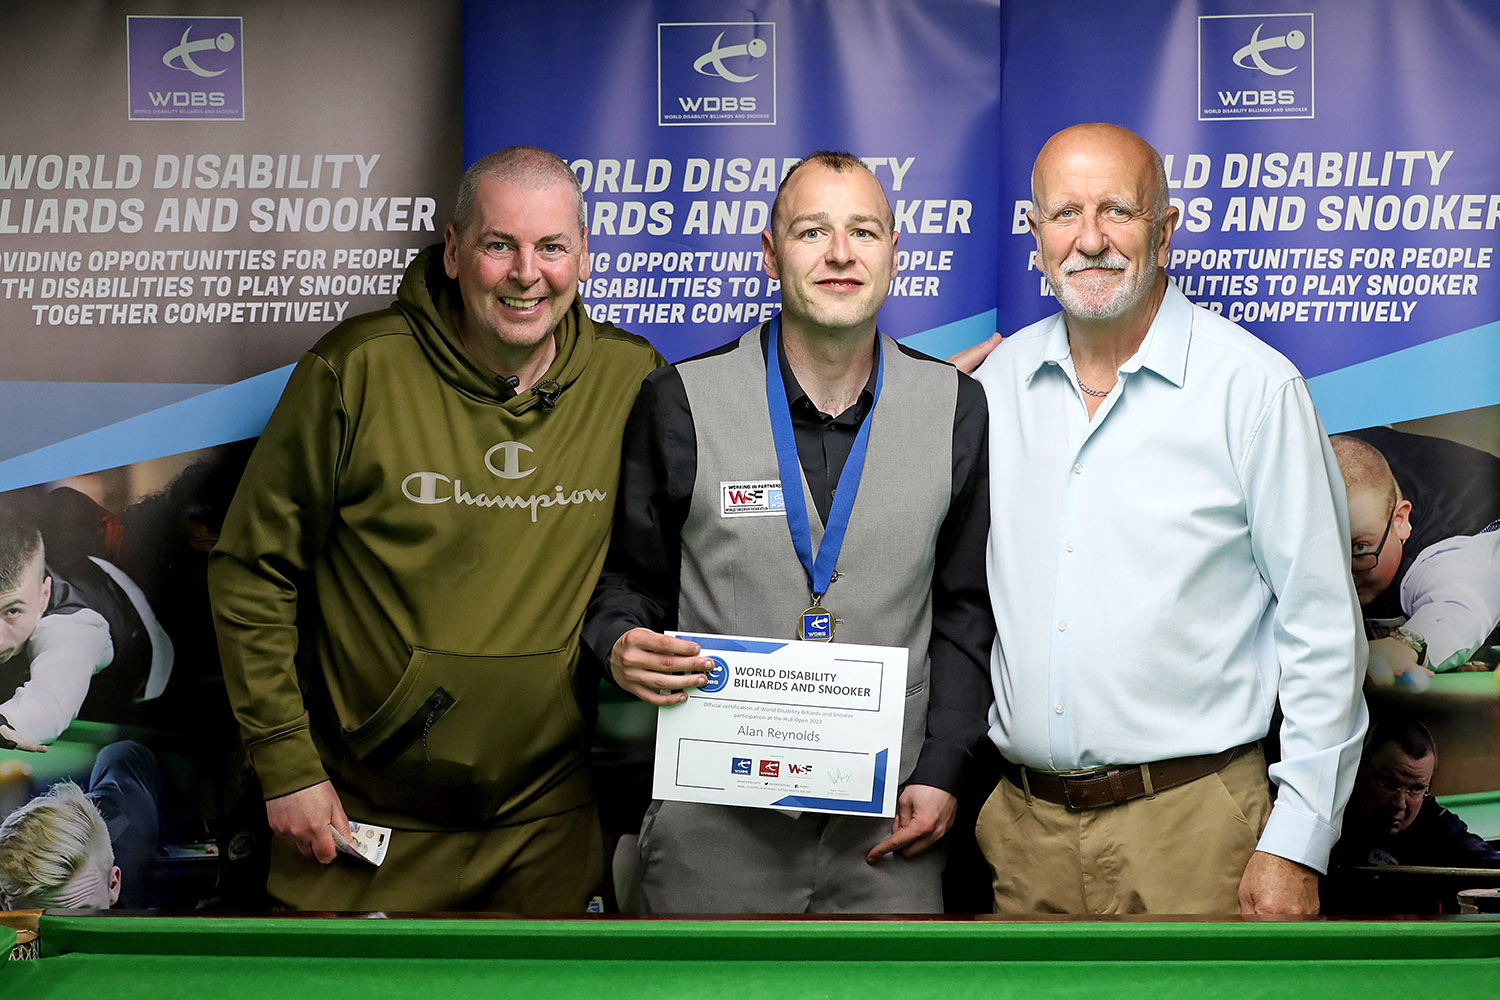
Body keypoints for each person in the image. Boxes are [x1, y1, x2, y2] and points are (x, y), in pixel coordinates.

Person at [208, 146, 663, 912]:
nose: (526, 273)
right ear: (453, 251)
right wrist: (285, 765)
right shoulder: (355, 369)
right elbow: (253, 569)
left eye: (552, 247)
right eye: (499, 245)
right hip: (362, 820)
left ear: (583, 256)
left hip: (547, 830)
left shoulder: (631, 377)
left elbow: (660, 565)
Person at [972, 122, 1367, 915]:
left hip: (1197, 826)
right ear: (1035, 233)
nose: (1090, 239)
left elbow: (1322, 626)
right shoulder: (993, 387)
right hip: (1023, 833)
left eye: (1118, 210)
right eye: (1065, 213)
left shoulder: (1253, 389)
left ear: (1165, 229)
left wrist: (1298, 838)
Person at [584, 150, 993, 913]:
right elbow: (629, 584)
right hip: (714, 829)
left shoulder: (956, 408)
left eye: (863, 231)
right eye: (813, 231)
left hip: (890, 835)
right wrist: (617, 641)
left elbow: (966, 610)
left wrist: (944, 770)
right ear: (771, 255)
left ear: (894, 252)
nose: (841, 253)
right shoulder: (679, 400)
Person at [1, 503, 172, 752]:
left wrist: (9, 720)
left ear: (44, 595)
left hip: (139, 694)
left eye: (12, 611)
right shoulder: (26, 587)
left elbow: (46, 703)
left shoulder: (74, 626)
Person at [1331, 432, 1500, 681]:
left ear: (1400, 520)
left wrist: (1401, 648)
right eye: (1327, 553)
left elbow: (1458, 610)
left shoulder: (1446, 552)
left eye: (1359, 548)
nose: (1342, 573)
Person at [1325, 718, 1500, 912]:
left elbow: (1491, 864)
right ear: (1360, 771)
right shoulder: (1326, 814)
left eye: (1416, 789)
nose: (1400, 803)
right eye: (1390, 784)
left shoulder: (1436, 826)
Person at [0, 740, 164, 909]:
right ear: (4, 900)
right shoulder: (7, 884)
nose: (68, 925)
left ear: (113, 885)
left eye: (83, 915)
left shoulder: (131, 823)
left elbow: (123, 752)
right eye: (38, 922)